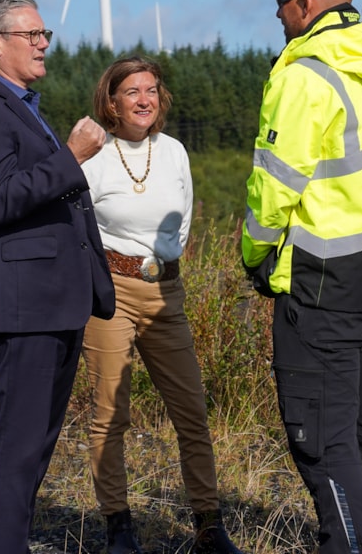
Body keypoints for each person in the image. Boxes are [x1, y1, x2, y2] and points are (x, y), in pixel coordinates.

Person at [242, 0, 362, 554]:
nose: (278, 17)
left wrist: (257, 255)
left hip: (319, 284)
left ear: (304, 5)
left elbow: (274, 182)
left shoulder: (306, 76)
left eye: (280, 5)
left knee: (322, 439)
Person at [0, 0, 116, 554]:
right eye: (32, 35)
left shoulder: (17, 105)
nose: (44, 44)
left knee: (33, 449)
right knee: (17, 450)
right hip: (23, 307)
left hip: (52, 302)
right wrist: (72, 156)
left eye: (45, 35)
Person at [80, 55, 245, 554]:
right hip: (110, 292)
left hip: (166, 292)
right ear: (111, 101)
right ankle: (118, 527)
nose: (144, 100)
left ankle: (209, 528)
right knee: (110, 413)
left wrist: (162, 268)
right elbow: (76, 226)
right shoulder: (94, 155)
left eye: (151, 90)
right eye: (132, 92)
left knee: (191, 411)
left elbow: (184, 220)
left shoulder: (173, 151)